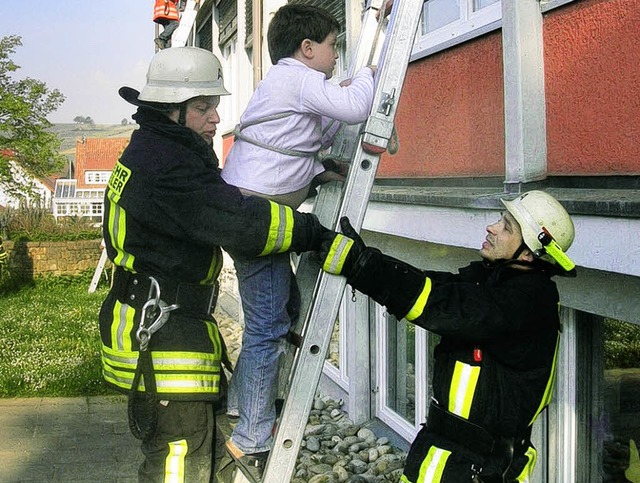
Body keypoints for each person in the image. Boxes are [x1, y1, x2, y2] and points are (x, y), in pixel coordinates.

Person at [99, 46, 333, 483]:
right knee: (179, 465)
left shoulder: (156, 150)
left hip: (158, 322)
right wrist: (311, 232)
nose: (215, 119)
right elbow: (239, 224)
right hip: (164, 338)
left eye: (215, 107)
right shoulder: (168, 165)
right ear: (171, 110)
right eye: (203, 108)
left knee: (191, 453)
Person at [320, 190, 577, 482]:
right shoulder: (498, 285)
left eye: (506, 226)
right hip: (447, 454)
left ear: (529, 253)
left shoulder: (527, 301)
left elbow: (443, 305)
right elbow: (433, 285)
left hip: (476, 467)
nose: (492, 227)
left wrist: (360, 265)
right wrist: (368, 264)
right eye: (500, 220)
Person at [219, 3, 376, 476]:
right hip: (258, 221)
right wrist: (369, 74)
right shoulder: (295, 76)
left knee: (279, 313)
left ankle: (239, 404)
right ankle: (251, 434)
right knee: (268, 326)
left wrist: (325, 170)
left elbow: (304, 138)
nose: (335, 58)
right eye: (332, 48)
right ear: (306, 48)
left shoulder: (290, 85)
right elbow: (354, 108)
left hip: (257, 216)